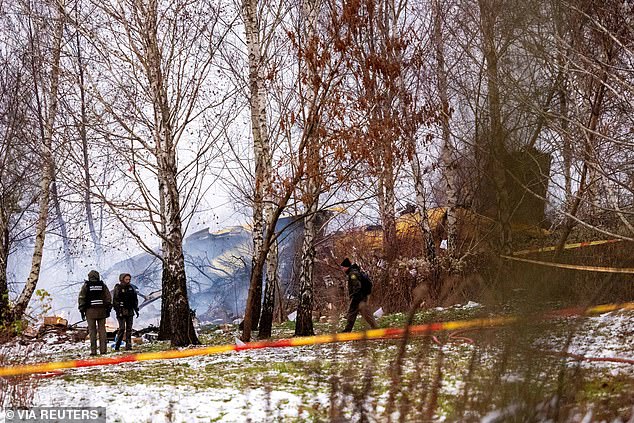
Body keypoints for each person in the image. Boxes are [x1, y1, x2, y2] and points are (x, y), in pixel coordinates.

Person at [78, 270, 112, 356]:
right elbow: (108, 297)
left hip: (90, 311)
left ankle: (93, 351)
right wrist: (108, 309)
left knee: (92, 332)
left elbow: (82, 297)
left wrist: (82, 310)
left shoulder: (86, 286)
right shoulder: (102, 285)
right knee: (102, 331)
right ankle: (103, 350)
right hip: (101, 311)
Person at [341, 258, 378, 332]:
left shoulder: (352, 274)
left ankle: (347, 330)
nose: (342, 269)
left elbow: (357, 286)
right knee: (365, 313)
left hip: (357, 297)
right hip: (361, 297)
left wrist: (355, 297)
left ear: (346, 267)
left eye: (343, 267)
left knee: (352, 313)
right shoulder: (354, 272)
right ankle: (375, 328)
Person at [112, 273, 139, 351]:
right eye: (126, 279)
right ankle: (117, 345)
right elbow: (115, 301)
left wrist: (136, 309)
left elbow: (135, 299)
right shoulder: (118, 288)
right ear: (122, 279)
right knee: (122, 328)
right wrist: (118, 311)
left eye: (129, 279)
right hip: (121, 311)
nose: (128, 281)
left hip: (130, 311)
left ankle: (128, 345)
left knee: (129, 329)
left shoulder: (131, 288)